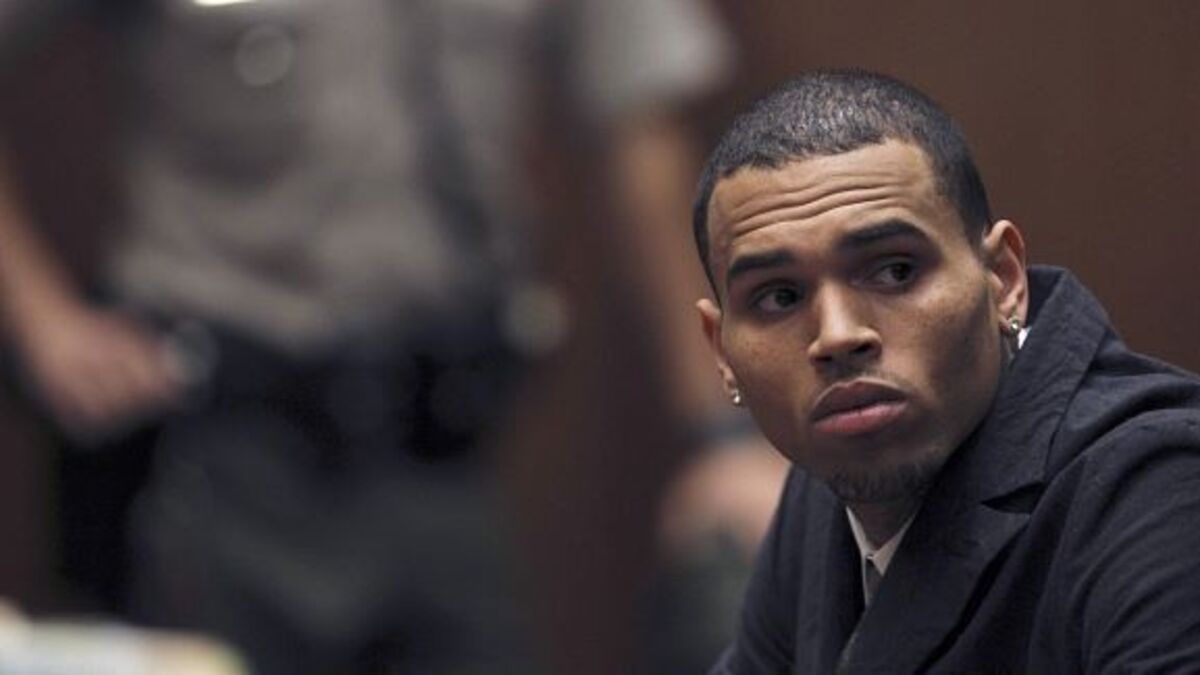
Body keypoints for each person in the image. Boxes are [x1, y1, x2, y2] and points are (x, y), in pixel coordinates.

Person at [0, 1, 739, 673]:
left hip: (446, 455)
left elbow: (643, 132)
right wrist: (42, 320)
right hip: (223, 454)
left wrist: (723, 432)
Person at [693, 69, 1200, 673]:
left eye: (895, 271)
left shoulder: (1160, 491)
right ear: (721, 350)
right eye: (779, 297)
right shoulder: (826, 476)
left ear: (1003, 281)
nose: (837, 336)